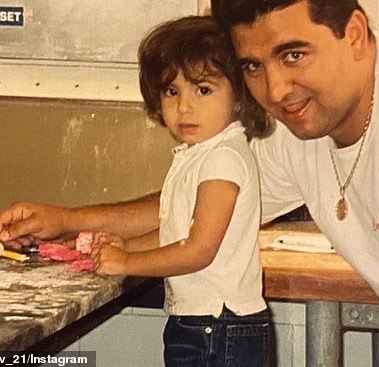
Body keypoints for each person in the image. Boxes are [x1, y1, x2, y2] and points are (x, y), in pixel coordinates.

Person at [0, 1, 379, 366]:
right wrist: (71, 219)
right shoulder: (301, 126)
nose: (276, 91)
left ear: (356, 34)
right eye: (253, 66)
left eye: (294, 55)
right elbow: (195, 206)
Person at [20, 16, 272, 367]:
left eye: (202, 90)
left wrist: (128, 261)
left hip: (221, 326)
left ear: (240, 96)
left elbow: (198, 250)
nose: (184, 106)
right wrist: (127, 245)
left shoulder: (224, 159)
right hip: (202, 322)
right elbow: (176, 231)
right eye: (172, 91)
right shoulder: (199, 154)